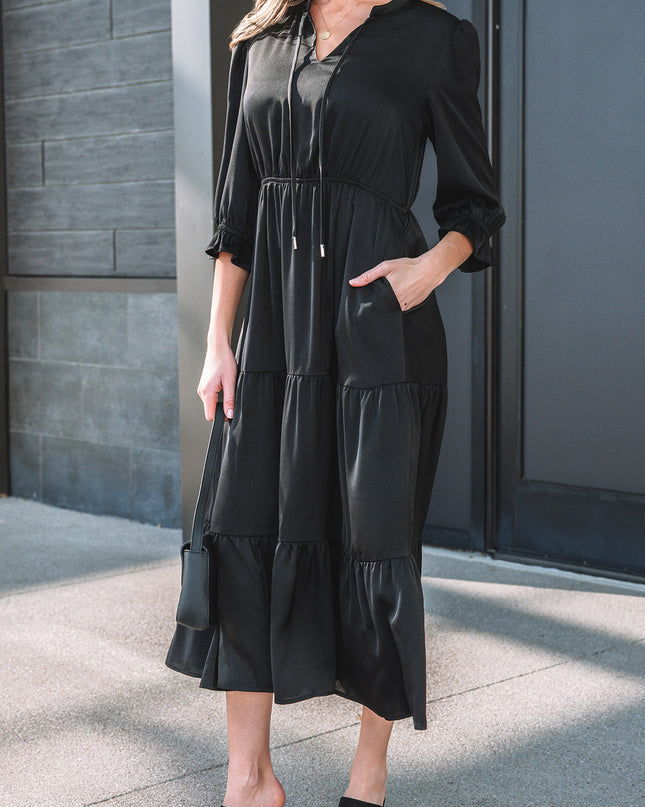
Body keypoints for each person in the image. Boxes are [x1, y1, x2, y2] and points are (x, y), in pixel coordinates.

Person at [166, 0, 506, 805]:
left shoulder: (436, 39)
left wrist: (424, 273)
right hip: (269, 341)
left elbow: (474, 205)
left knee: (374, 537)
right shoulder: (260, 39)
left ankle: (367, 775)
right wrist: (218, 340)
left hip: (375, 339)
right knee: (239, 529)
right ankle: (248, 780)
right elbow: (235, 212)